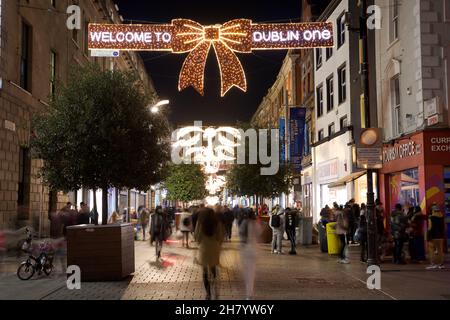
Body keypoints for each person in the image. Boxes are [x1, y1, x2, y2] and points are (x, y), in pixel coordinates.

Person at [194, 207, 224, 300]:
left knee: (205, 271)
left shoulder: (200, 222)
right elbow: (220, 236)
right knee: (213, 267)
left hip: (204, 248)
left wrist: (199, 242)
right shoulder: (217, 222)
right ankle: (215, 284)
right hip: (214, 248)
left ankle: (208, 293)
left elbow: (197, 236)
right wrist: (218, 244)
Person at [237, 208, 260, 299]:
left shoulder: (244, 222)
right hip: (253, 249)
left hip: (245, 249)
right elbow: (259, 233)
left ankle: (249, 294)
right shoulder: (255, 223)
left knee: (247, 273)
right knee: (251, 273)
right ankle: (249, 294)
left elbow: (240, 233)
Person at [426, 203, 446, 270]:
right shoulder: (442, 217)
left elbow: (430, 227)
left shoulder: (431, 217)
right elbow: (444, 227)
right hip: (440, 236)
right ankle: (441, 264)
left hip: (433, 236)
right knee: (440, 250)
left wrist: (428, 236)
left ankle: (433, 264)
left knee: (431, 250)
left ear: (433, 210)